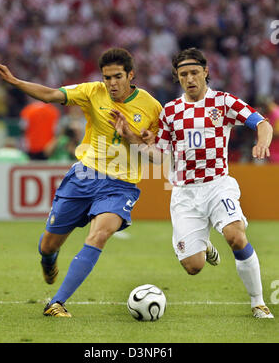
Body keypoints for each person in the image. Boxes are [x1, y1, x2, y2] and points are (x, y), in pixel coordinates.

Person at [0, 48, 162, 317]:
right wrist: (16, 82)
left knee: (100, 234)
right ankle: (48, 260)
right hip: (84, 177)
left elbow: (157, 157)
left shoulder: (151, 107)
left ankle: (57, 302)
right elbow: (50, 94)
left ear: (131, 75)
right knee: (48, 245)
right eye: (107, 77)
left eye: (117, 77)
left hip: (121, 185)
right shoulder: (92, 92)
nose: (112, 83)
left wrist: (131, 137)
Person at [110, 47, 274, 319]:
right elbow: (157, 155)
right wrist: (131, 137)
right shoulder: (171, 112)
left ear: (206, 72)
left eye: (194, 72)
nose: (190, 78)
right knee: (193, 266)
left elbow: (263, 123)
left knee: (235, 235)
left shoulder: (223, 102)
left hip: (218, 184)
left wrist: (262, 142)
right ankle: (204, 245)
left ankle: (258, 303)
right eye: (183, 74)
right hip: (185, 193)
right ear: (177, 77)